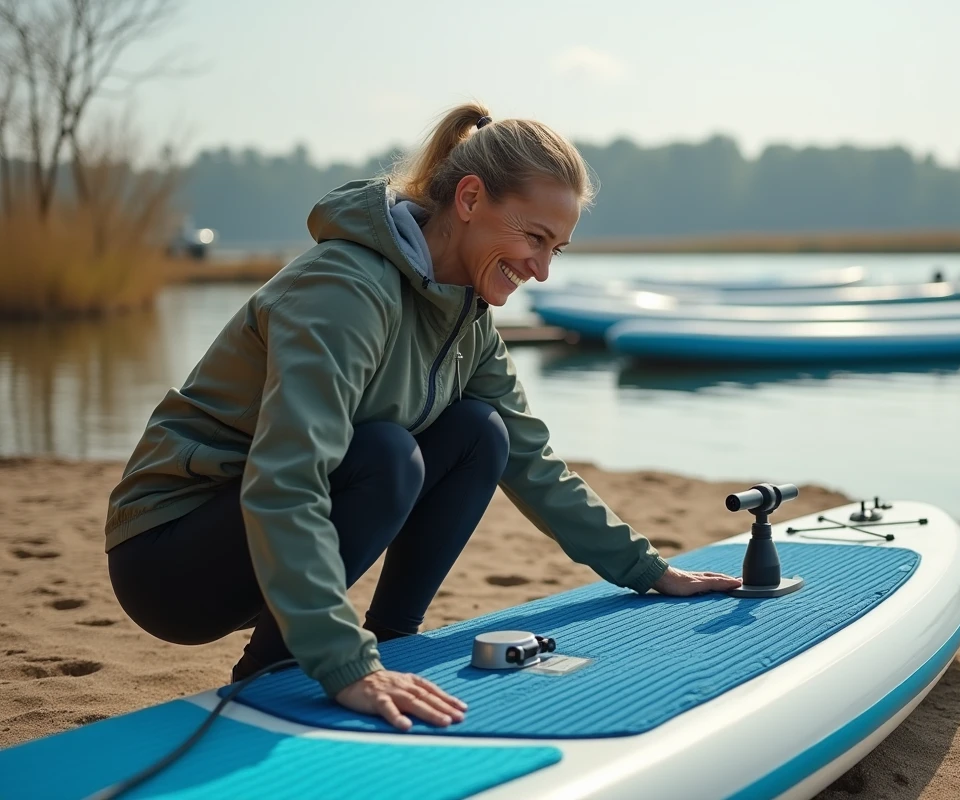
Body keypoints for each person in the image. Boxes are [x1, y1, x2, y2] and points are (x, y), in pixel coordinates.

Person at [104, 103, 741, 732]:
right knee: (385, 453)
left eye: (558, 250)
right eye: (534, 239)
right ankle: (276, 671)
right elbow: (286, 478)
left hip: (266, 547)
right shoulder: (345, 288)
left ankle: (392, 639)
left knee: (478, 434)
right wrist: (342, 663)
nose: (541, 270)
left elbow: (532, 462)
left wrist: (650, 570)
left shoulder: (468, 320)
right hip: (169, 557)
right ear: (469, 199)